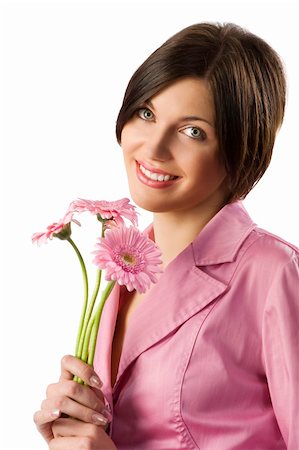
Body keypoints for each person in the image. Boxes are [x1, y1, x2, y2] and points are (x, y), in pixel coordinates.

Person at [34, 22, 299, 449]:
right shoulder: (121, 270)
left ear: (240, 151)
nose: (153, 148)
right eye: (146, 113)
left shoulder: (273, 273)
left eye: (193, 131)